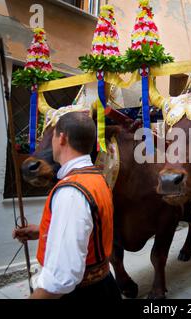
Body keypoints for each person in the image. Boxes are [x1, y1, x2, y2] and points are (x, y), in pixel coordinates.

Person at [12, 112, 121, 299]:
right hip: (104, 285)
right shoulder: (97, 178)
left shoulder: (71, 191)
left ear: (61, 138)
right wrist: (43, 231)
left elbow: (59, 279)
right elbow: (90, 228)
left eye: (51, 135)